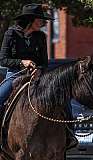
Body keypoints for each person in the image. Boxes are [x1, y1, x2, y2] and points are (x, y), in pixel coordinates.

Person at [0, 3, 78, 149]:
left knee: (63, 98)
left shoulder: (41, 36)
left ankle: (70, 134)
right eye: (40, 19)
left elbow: (44, 62)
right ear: (30, 20)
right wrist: (22, 62)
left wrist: (39, 70)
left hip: (38, 77)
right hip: (14, 75)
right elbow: (3, 59)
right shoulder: (10, 34)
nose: (43, 22)